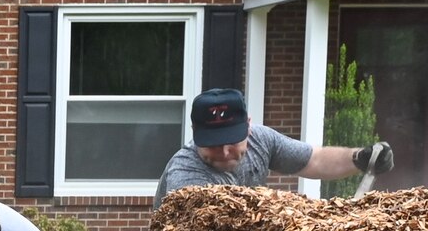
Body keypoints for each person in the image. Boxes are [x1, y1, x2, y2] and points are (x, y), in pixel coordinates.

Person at [153, 88, 392, 208]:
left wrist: (359, 158)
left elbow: (314, 159)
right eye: (214, 145)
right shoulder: (184, 175)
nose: (225, 152)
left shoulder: (261, 139)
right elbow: (221, 225)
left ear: (248, 127)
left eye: (232, 141)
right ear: (195, 132)